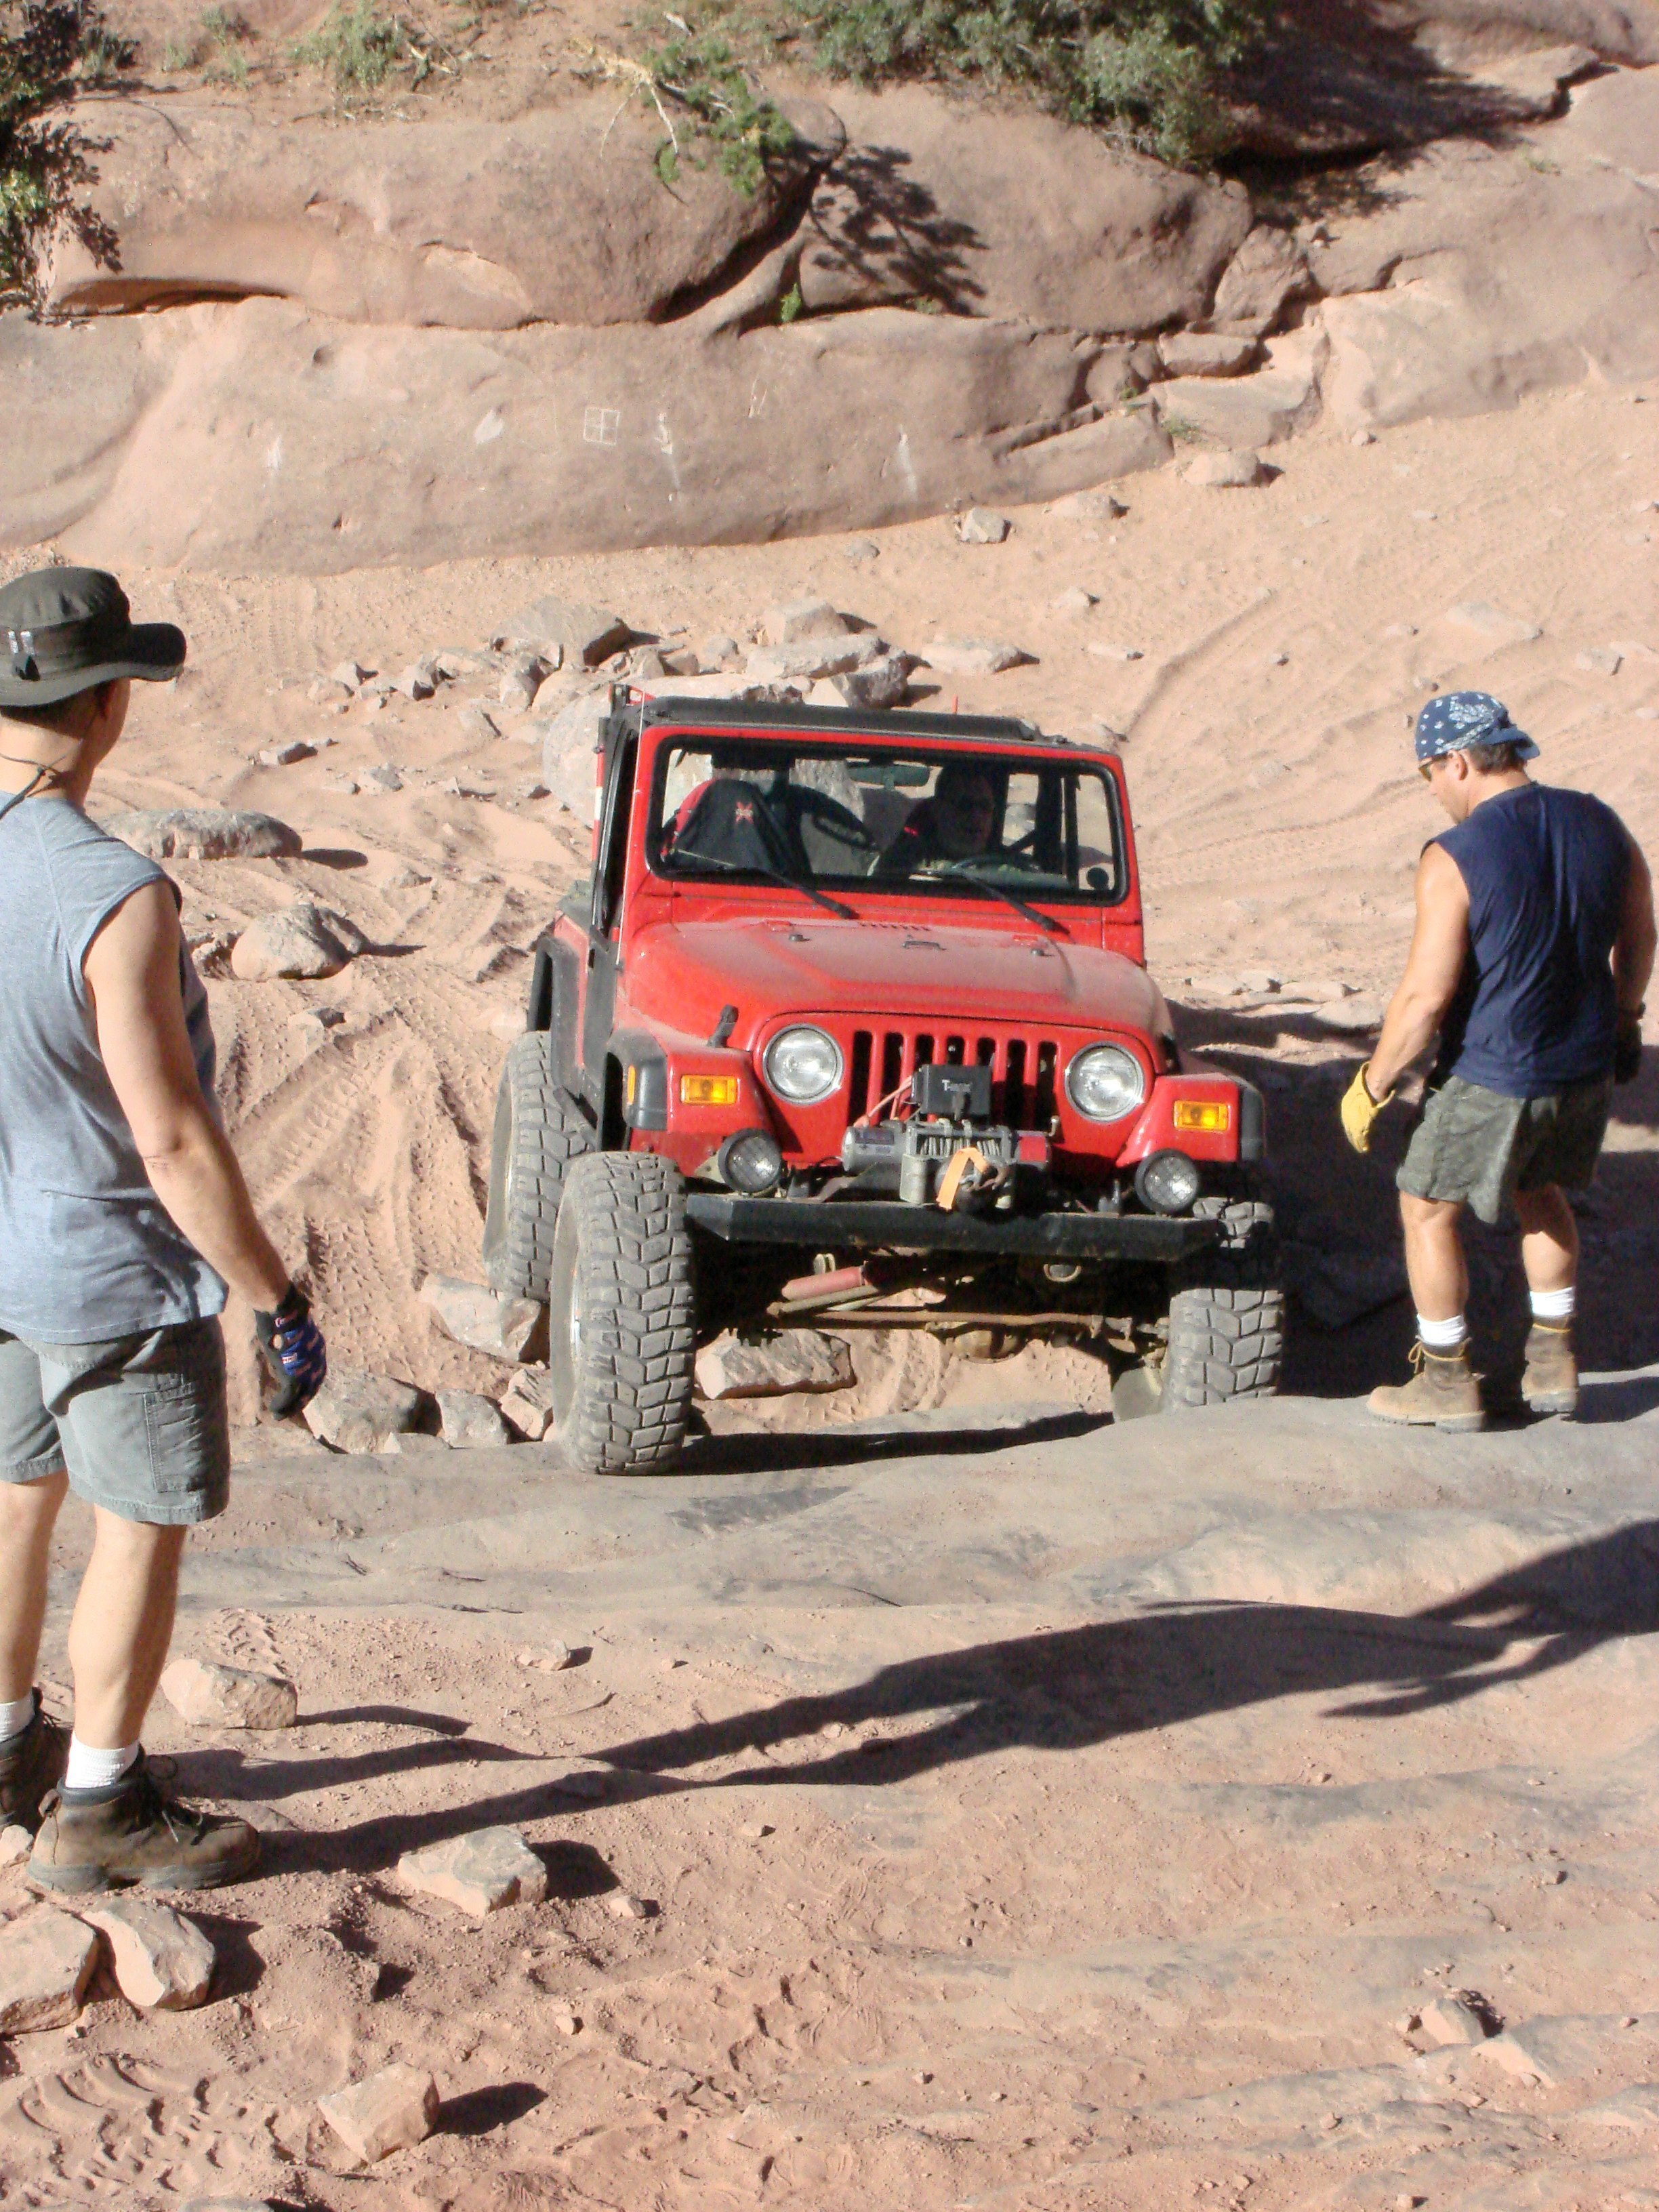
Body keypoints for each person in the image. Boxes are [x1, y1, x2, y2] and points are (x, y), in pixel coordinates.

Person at [0, 567, 327, 1892]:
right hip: (112, 1275)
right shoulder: (115, 894)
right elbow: (174, 1138)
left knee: (15, 1500)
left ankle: (6, 1750)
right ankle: (102, 1804)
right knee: (135, 1521)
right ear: (111, 704)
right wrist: (275, 1296)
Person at [1341, 691, 1655, 1429]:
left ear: (1458, 762)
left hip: (1493, 1071)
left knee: (1425, 1209)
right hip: (1582, 1068)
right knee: (1540, 1193)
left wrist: (1372, 1084)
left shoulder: (1455, 854)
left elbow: (1424, 999)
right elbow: (1641, 934)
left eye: (1429, 774)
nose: (1433, 791)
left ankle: (1446, 1378)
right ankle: (1552, 1359)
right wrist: (1624, 1018)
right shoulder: (1601, 823)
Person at [877, 762, 998, 876]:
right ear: (938, 810)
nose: (976, 816)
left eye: (985, 806)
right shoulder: (904, 863)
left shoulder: (1003, 868)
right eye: (965, 806)